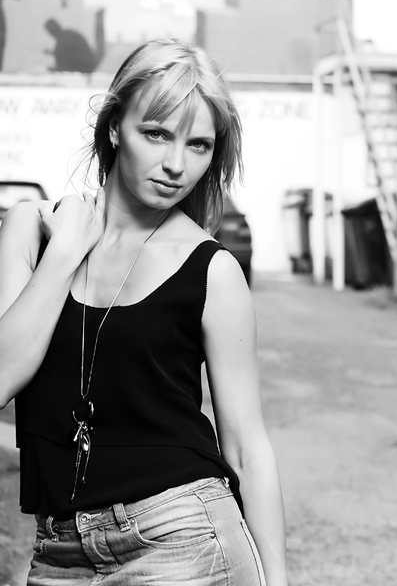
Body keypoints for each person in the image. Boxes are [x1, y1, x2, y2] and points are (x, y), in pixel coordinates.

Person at [0, 39, 287, 585]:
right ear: (114, 128)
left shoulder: (212, 270)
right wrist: (63, 256)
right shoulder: (33, 231)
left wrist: (277, 579)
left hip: (182, 537)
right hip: (58, 553)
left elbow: (247, 446)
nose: (176, 164)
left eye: (198, 145)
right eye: (156, 133)